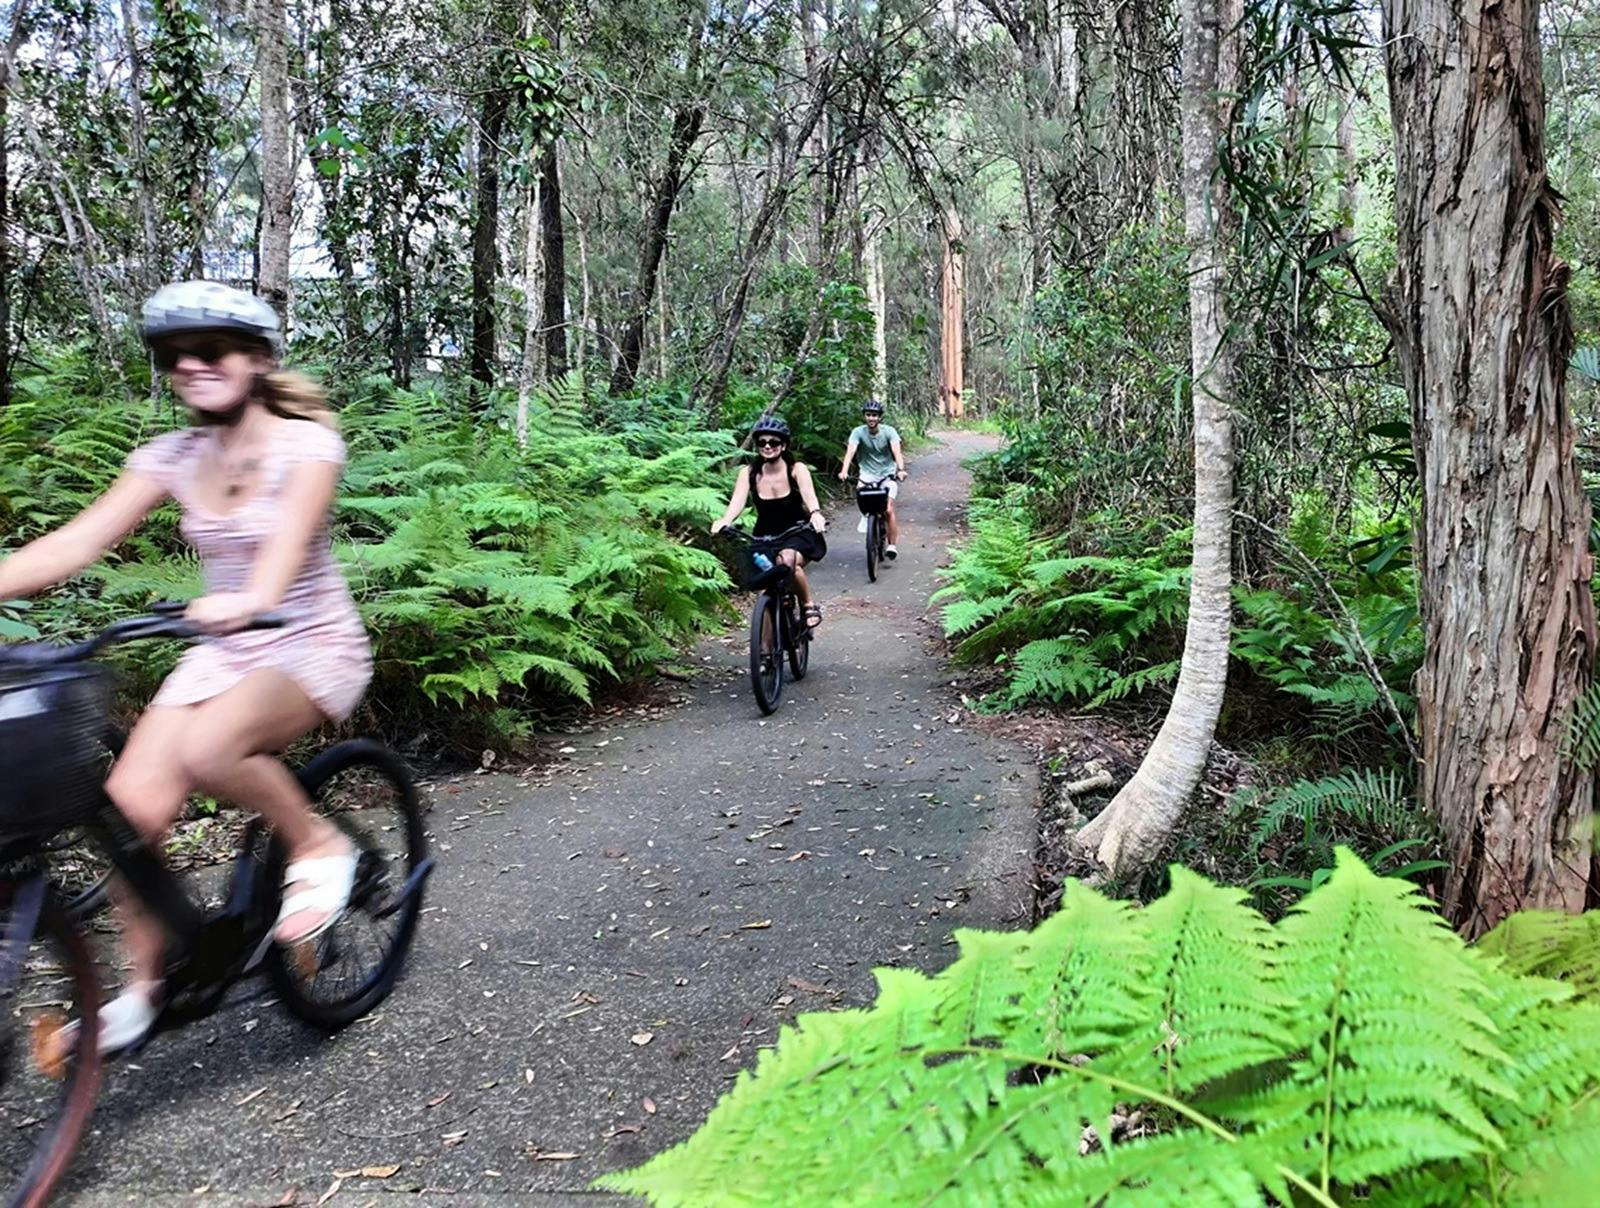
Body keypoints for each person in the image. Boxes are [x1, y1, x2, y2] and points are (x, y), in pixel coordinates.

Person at [0, 280, 372, 1054]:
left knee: (211, 749)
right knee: (127, 817)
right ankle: (147, 987)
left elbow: (280, 561)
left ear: (261, 359)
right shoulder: (171, 455)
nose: (190, 366)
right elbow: (75, 542)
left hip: (306, 640)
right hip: (221, 654)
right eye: (173, 355)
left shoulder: (309, 448)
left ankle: (318, 843)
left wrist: (247, 600)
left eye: (210, 350)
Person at [710, 415, 828, 629]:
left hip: (797, 532)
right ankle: (764, 656)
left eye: (773, 442)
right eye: (762, 442)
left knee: (787, 561)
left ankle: (808, 605)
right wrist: (724, 521)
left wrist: (816, 514)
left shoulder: (796, 469)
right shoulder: (749, 473)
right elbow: (736, 503)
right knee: (765, 588)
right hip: (765, 535)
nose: (767, 446)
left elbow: (810, 496)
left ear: (783, 445)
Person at [838, 400, 907, 558]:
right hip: (867, 473)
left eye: (874, 415)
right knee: (861, 496)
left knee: (888, 510)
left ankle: (892, 545)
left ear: (880, 418)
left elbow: (897, 452)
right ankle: (866, 517)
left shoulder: (889, 431)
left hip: (887, 473)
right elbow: (850, 452)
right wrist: (844, 471)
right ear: (864, 416)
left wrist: (901, 470)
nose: (871, 418)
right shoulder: (858, 432)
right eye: (868, 415)